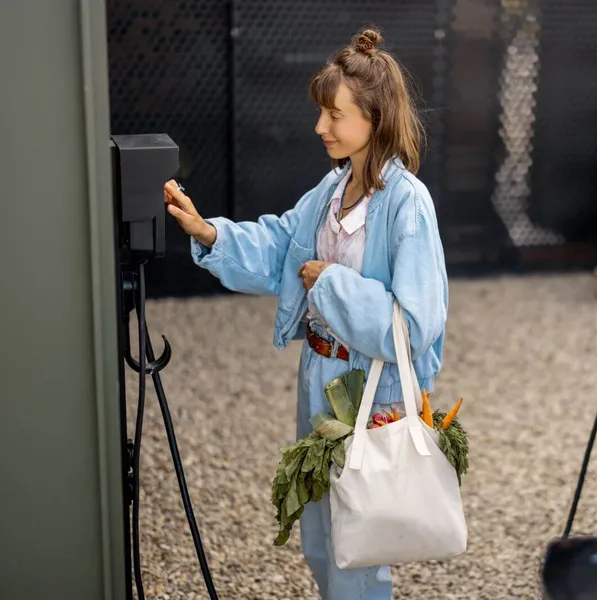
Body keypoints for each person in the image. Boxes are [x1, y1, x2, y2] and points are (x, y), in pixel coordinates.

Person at [163, 27, 449, 600]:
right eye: (322, 113)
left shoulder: (407, 203)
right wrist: (209, 232)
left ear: (374, 117)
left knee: (359, 543)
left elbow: (417, 326)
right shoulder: (331, 189)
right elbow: (280, 247)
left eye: (334, 115)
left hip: (371, 389)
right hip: (319, 377)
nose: (321, 127)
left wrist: (333, 283)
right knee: (323, 541)